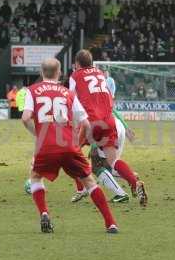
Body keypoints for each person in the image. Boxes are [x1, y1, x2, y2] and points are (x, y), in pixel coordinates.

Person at [22, 58, 118, 234]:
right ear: (59, 73)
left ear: (42, 73)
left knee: (35, 177)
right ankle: (110, 223)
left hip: (46, 146)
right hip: (68, 145)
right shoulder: (68, 93)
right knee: (89, 182)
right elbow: (86, 124)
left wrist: (38, 134)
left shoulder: (32, 91)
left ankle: (44, 213)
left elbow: (25, 117)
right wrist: (80, 141)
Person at [69, 49, 147, 206]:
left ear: (77, 64)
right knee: (112, 162)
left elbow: (70, 98)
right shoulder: (100, 74)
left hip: (91, 122)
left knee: (73, 154)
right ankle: (134, 182)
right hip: (109, 121)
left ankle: (82, 188)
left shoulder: (75, 76)